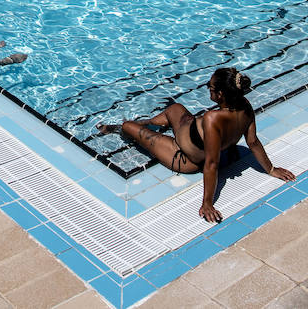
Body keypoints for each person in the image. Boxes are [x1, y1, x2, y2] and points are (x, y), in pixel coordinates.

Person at [97, 68, 295, 223]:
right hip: (189, 129)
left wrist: (207, 203)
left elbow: (211, 165)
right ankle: (148, 122)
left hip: (183, 155)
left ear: (220, 95)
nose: (207, 88)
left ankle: (126, 128)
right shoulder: (244, 105)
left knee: (127, 126)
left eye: (210, 87)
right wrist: (270, 169)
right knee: (174, 108)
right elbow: (252, 142)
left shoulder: (212, 118)